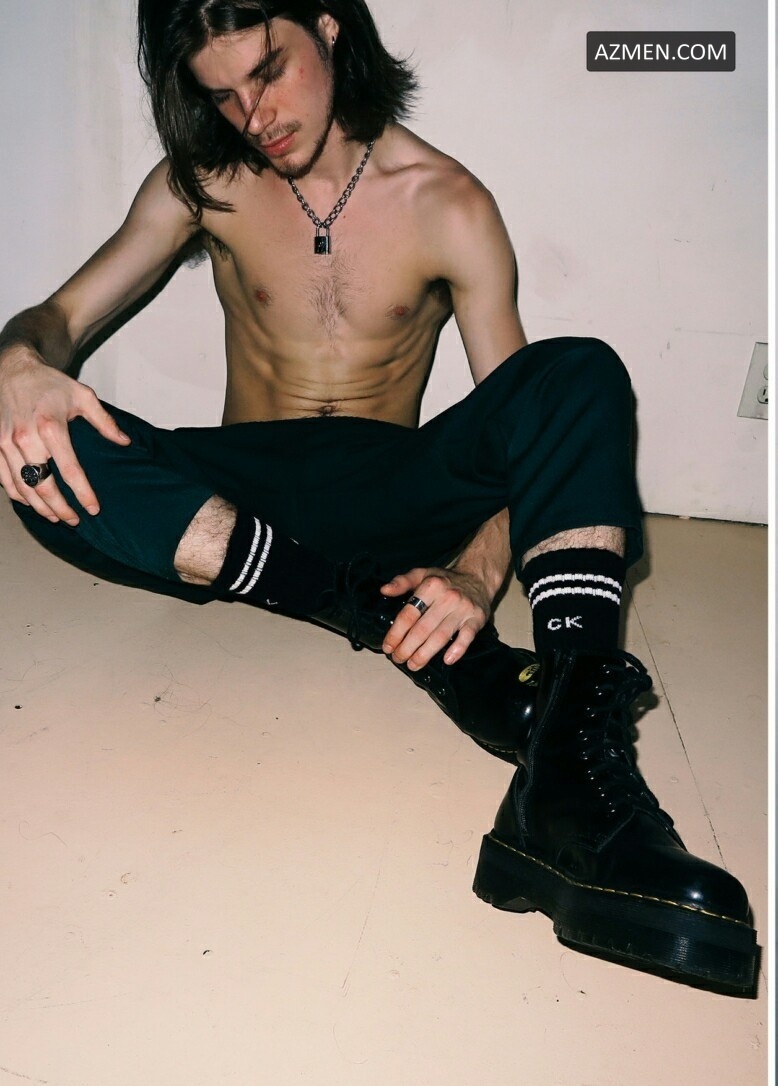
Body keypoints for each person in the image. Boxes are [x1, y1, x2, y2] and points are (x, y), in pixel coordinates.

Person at [0, 0, 757, 993]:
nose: (253, 115)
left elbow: (519, 428)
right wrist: (18, 365)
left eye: (268, 71)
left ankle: (572, 769)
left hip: (393, 490)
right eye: (222, 96)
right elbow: (56, 318)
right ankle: (363, 606)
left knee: (577, 375)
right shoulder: (203, 184)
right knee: (44, 455)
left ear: (327, 27)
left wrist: (475, 577)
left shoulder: (448, 203)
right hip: (244, 498)